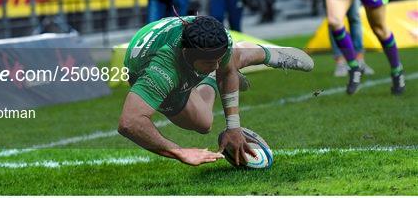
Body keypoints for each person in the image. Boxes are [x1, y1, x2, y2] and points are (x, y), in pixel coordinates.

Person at [118, 15, 314, 166]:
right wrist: (179, 151)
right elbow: (130, 123)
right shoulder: (161, 73)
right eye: (211, 62)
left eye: (218, 59)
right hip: (145, 64)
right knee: (204, 124)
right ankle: (213, 76)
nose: (217, 64)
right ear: (187, 55)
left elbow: (227, 72)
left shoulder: (218, 37)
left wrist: (234, 127)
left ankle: (264, 52)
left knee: (231, 62)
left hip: (187, 43)